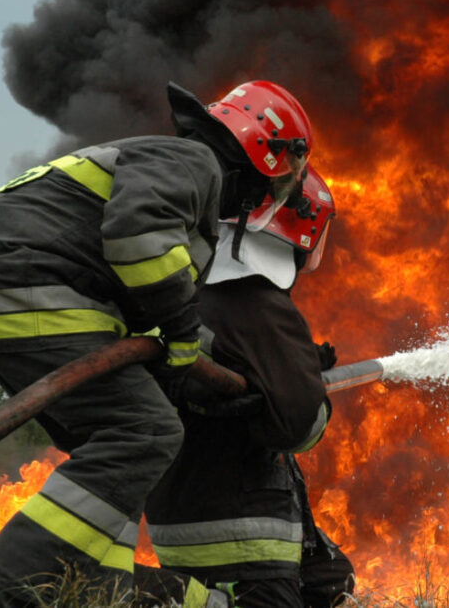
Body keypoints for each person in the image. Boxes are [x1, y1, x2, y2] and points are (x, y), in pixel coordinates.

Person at [0, 79, 315, 607]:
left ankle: (87, 587)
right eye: (281, 181)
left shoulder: (172, 167)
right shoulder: (194, 162)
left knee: (113, 450)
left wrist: (199, 368)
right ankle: (19, 590)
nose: (269, 198)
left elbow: (139, 297)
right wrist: (183, 336)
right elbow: (138, 238)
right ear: (264, 153)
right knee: (147, 431)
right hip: (24, 282)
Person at [142, 164, 355, 608]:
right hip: (238, 526)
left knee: (332, 583)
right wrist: (307, 387)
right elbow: (300, 427)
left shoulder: (191, 288)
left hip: (178, 511)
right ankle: (132, 595)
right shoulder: (256, 300)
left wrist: (292, 368)